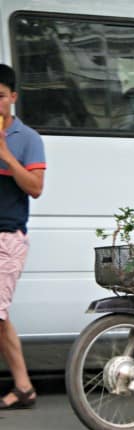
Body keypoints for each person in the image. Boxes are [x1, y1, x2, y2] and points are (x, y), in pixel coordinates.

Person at [0, 63, 46, 410]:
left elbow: (35, 188)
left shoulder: (27, 139)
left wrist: (5, 156)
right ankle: (24, 387)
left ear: (13, 97)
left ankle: (24, 387)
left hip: (8, 237)